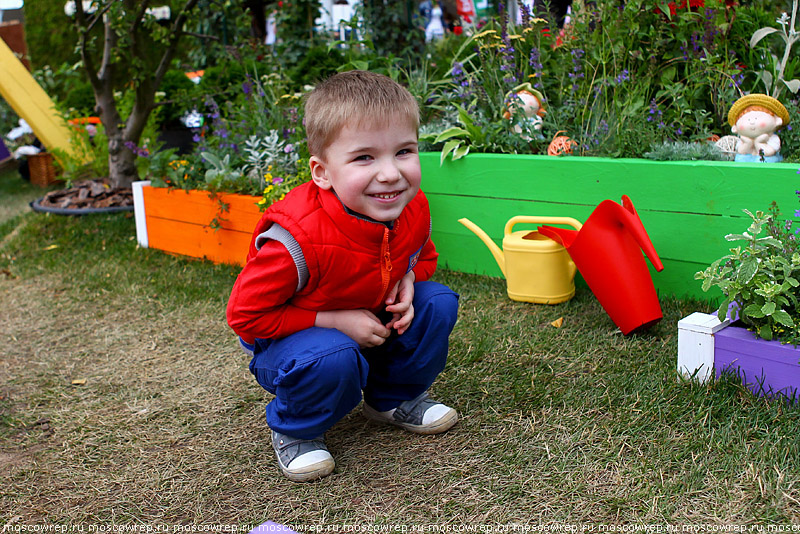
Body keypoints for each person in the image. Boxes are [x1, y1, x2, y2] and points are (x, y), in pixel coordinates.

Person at [226, 70, 460, 483]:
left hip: (370, 320)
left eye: (404, 151)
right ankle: (297, 430)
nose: (390, 173)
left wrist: (407, 278)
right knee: (331, 356)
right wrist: (331, 320)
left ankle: (391, 399)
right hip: (294, 345)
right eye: (364, 157)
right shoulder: (294, 241)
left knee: (436, 301)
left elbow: (423, 255)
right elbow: (245, 317)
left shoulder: (411, 206)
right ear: (322, 172)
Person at [728, 93, 790, 163]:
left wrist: (759, 143)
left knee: (765, 160)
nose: (752, 122)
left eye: (757, 118)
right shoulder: (742, 139)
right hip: (748, 158)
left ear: (777, 121)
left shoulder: (773, 139)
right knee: (740, 159)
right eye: (747, 119)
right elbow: (741, 151)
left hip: (766, 157)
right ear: (735, 128)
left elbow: (769, 152)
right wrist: (747, 144)